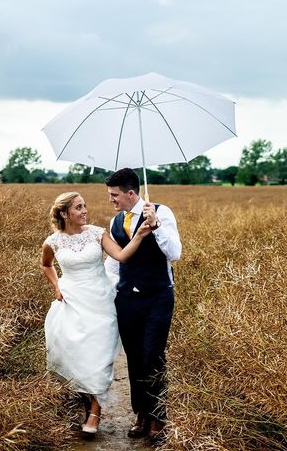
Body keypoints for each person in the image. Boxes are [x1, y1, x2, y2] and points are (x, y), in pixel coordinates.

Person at [40, 191, 152, 439]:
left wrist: (141, 234)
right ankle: (87, 400)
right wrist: (57, 286)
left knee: (98, 357)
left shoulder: (97, 233)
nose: (84, 211)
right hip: (71, 303)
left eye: (85, 206)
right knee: (74, 355)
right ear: (64, 213)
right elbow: (46, 265)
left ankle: (95, 411)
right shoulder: (53, 241)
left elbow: (122, 256)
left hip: (101, 302)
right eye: (79, 207)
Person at [104, 168, 181, 443]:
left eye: (115, 195)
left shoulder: (162, 212)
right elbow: (114, 263)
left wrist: (156, 225)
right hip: (126, 300)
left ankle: (159, 417)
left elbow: (175, 253)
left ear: (131, 193)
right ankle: (142, 415)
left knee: (153, 356)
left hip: (158, 297)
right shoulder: (115, 222)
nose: (111, 200)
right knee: (135, 359)